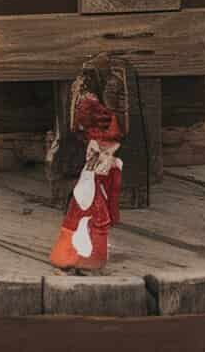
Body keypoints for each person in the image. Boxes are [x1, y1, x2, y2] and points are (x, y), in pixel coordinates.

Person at [49, 58, 127, 271]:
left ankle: (87, 253)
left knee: (88, 208)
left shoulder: (98, 114)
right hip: (94, 165)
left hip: (97, 166)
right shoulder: (92, 108)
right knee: (84, 208)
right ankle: (79, 252)